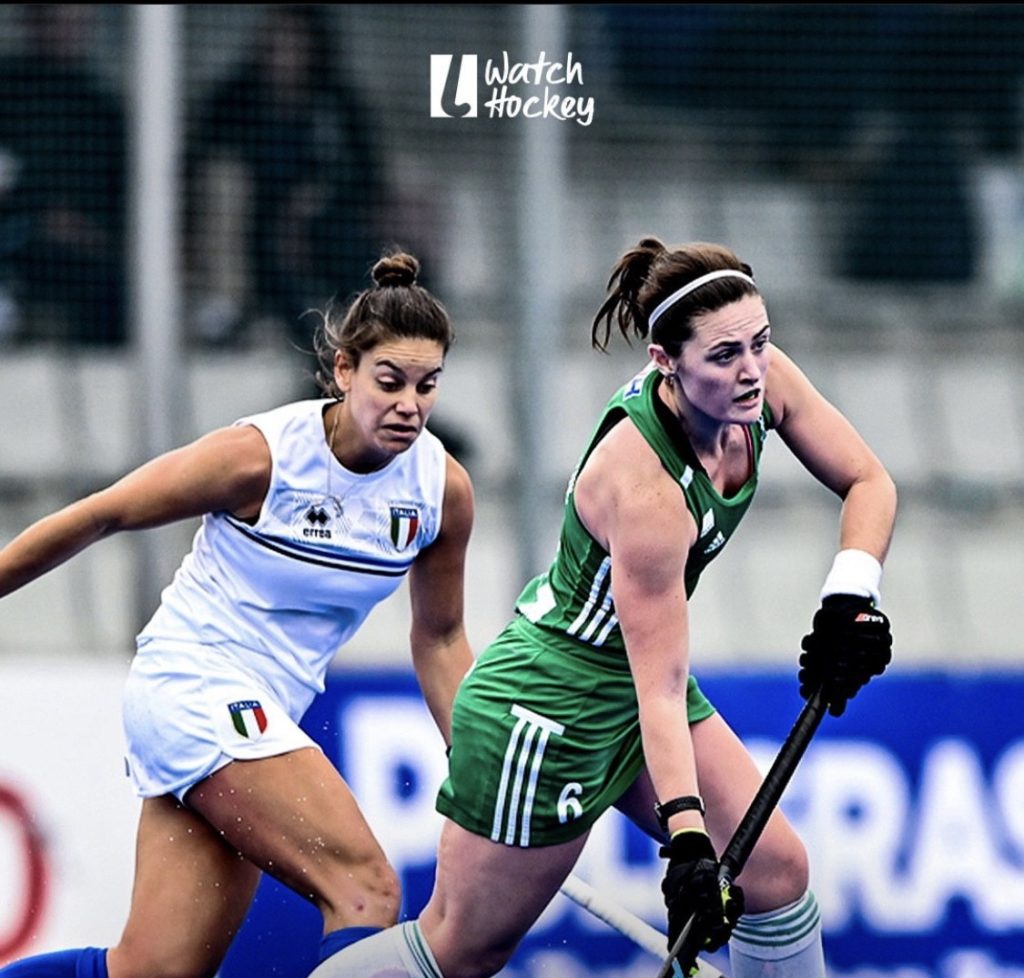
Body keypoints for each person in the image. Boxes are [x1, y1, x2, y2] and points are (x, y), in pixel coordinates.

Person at [310, 238, 896, 978]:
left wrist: (850, 594)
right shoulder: (646, 490)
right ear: (664, 361)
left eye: (760, 341)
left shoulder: (758, 381)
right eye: (724, 355)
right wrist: (690, 845)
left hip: (633, 681)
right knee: (458, 949)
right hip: (553, 705)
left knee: (775, 875)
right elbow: (660, 688)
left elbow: (869, 480)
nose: (752, 368)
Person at [0, 251, 475, 978]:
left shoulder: (441, 490)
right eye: (389, 381)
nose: (409, 404)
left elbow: (440, 639)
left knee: (154, 971)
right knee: (365, 889)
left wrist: (477, 761)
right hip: (192, 684)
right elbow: (102, 514)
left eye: (427, 384)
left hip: (262, 713)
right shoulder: (261, 459)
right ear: (344, 371)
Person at [186, 5, 390, 348]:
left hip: (326, 226)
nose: (282, 54)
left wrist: (310, 204)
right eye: (274, 42)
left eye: (294, 43)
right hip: (253, 229)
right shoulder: (234, 99)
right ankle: (236, 314)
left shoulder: (335, 103)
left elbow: (365, 174)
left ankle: (364, 319)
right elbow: (204, 163)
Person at [0, 4, 126, 346]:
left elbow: (121, 196)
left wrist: (93, 232)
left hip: (83, 252)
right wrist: (38, 214)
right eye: (58, 22)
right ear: (32, 24)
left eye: (78, 23)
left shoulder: (102, 108)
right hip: (15, 240)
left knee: (113, 285)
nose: (68, 33)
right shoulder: (6, 91)